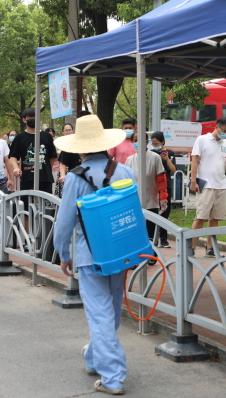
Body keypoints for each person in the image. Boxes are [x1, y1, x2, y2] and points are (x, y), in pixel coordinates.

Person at [53, 114, 134, 396]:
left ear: (81, 148)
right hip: (120, 251)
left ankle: (113, 377)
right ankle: (93, 358)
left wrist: (63, 253)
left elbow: (65, 222)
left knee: (99, 313)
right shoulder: (124, 172)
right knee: (109, 311)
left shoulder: (75, 178)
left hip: (90, 254)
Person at [189, 117, 226, 257]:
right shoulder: (202, 140)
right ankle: (191, 247)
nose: (225, 133)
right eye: (224, 130)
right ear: (217, 127)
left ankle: (210, 248)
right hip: (206, 185)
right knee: (201, 217)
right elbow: (195, 161)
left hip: (221, 184)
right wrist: (193, 181)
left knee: (215, 219)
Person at [125, 131, 168, 262]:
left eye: (140, 139)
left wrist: (163, 197)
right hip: (134, 202)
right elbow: (126, 182)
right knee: (135, 231)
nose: (138, 142)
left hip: (151, 201)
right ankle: (135, 257)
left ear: (146, 141)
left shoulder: (155, 158)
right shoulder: (130, 160)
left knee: (150, 231)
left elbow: (161, 179)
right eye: (135, 140)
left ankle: (151, 255)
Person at [8, 107, 57, 198]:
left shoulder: (47, 136)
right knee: (27, 205)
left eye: (35, 117)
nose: (33, 119)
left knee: (45, 204)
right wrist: (16, 167)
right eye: (29, 118)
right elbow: (13, 156)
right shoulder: (19, 138)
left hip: (45, 178)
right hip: (27, 178)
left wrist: (46, 168)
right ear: (24, 120)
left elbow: (52, 157)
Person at [150, 131, 176, 248]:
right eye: (153, 143)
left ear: (163, 142)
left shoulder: (170, 153)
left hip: (166, 186)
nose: (155, 146)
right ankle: (153, 239)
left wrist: (167, 159)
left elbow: (174, 170)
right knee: (154, 212)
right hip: (153, 186)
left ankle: (164, 239)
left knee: (165, 212)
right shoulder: (151, 153)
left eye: (157, 143)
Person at [56, 123, 82, 198]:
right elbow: (63, 162)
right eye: (66, 130)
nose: (68, 132)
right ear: (63, 132)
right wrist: (63, 175)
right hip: (68, 174)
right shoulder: (65, 145)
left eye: (70, 130)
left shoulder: (78, 143)